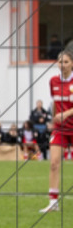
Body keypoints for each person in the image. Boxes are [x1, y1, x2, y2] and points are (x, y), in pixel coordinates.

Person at [41, 49, 73, 213]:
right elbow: (54, 102)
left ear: (72, 64)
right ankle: (53, 203)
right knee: (54, 163)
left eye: (66, 62)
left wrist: (65, 114)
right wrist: (54, 119)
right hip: (60, 129)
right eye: (60, 62)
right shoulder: (53, 81)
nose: (62, 65)